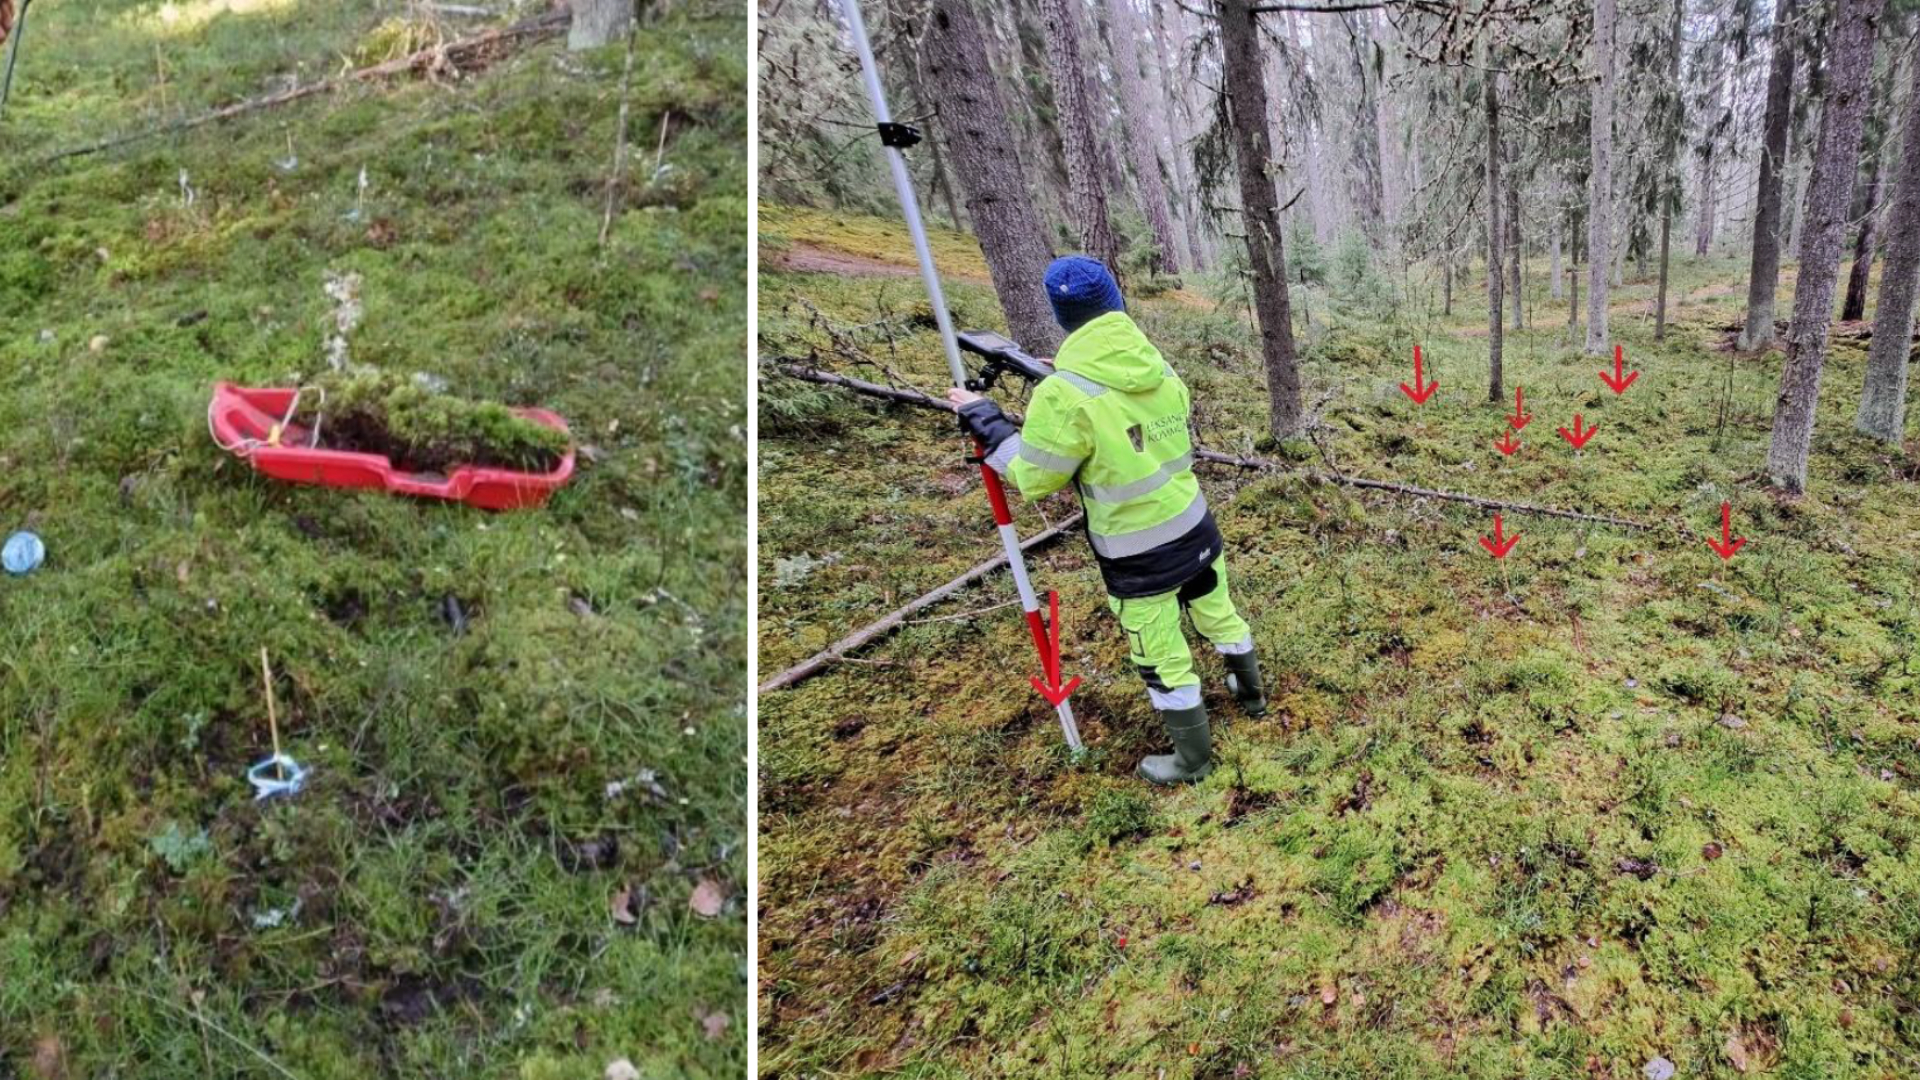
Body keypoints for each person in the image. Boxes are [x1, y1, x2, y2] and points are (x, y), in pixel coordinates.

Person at [947, 255, 1265, 785]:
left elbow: (1034, 478)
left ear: (1060, 315)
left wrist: (989, 423)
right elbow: (1141, 412)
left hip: (1141, 559)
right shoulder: (1156, 364)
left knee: (1161, 651)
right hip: (1196, 526)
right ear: (1115, 301)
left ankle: (1193, 761)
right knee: (1218, 612)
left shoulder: (1064, 394)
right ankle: (1251, 695)